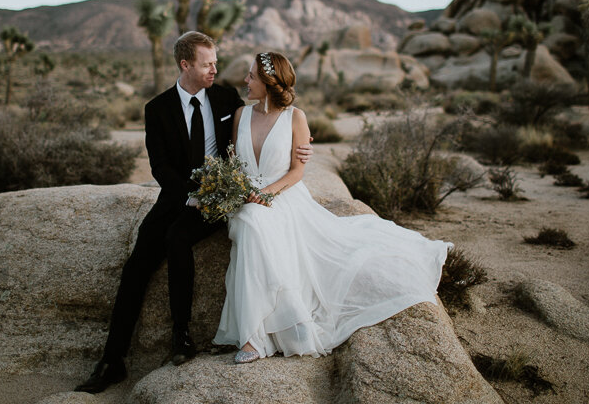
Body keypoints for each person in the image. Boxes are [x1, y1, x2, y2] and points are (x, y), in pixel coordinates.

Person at [76, 33, 311, 393]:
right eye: (207, 64)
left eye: (216, 61)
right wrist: (188, 197)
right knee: (137, 262)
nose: (215, 69)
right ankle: (112, 360)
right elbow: (160, 168)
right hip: (177, 197)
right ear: (185, 65)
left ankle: (181, 336)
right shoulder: (157, 109)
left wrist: (304, 150)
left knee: (178, 238)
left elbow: (270, 126)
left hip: (220, 200)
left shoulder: (224, 98)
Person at [213, 51, 452, 363]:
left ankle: (256, 337)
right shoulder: (241, 116)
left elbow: (297, 172)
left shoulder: (295, 118)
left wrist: (267, 193)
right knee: (248, 221)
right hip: (245, 198)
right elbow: (234, 164)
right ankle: (268, 329)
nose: (245, 81)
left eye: (252, 77)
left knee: (254, 223)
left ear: (270, 82)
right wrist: (236, 190)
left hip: (283, 196)